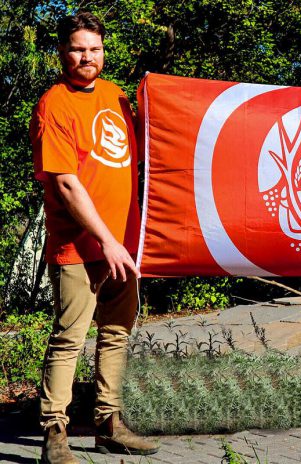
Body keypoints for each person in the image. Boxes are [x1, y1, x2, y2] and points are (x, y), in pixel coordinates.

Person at [30, 11, 159, 463]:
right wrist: (106, 239)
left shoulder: (117, 97)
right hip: (80, 246)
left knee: (117, 333)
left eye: (95, 49)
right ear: (62, 52)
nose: (87, 56)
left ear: (104, 51)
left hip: (125, 244)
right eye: (78, 48)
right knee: (69, 338)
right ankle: (55, 433)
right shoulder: (55, 104)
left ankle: (109, 424)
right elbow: (65, 182)